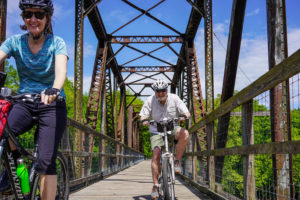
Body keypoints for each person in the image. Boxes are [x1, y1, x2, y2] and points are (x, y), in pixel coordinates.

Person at [0, 0, 68, 199]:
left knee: (46, 162)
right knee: (4, 132)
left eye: (39, 15)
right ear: (23, 17)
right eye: (28, 14)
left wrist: (55, 88)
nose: (33, 19)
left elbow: (61, 70)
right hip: (25, 103)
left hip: (51, 104)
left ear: (47, 18)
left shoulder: (57, 43)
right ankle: (17, 180)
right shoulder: (15, 42)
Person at [139, 79, 190, 199]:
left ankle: (177, 161)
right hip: (156, 129)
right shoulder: (150, 100)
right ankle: (155, 185)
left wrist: (183, 116)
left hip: (172, 127)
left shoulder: (174, 98)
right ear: (155, 92)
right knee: (156, 155)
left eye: (163, 90)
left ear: (166, 90)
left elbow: (187, 112)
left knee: (185, 133)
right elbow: (143, 115)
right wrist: (144, 120)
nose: (161, 93)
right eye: (158, 91)